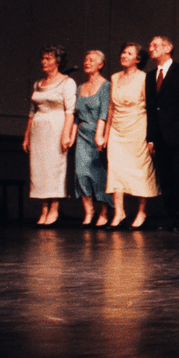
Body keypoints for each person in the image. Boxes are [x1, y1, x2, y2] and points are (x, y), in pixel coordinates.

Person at [144, 35, 179, 231]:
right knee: (165, 179)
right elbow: (152, 109)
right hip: (160, 137)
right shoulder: (151, 76)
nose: (151, 49)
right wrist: (151, 138)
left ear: (168, 48)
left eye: (155, 45)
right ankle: (172, 218)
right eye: (150, 46)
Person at [99, 42, 158, 229]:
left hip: (138, 127)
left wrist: (151, 137)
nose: (123, 55)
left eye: (129, 53)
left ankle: (142, 212)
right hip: (117, 129)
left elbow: (150, 109)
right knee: (115, 171)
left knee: (140, 170)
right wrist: (106, 134)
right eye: (123, 52)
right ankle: (119, 213)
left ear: (138, 59)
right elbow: (110, 108)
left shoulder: (144, 78)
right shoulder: (114, 77)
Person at [23, 44, 77, 226]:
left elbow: (70, 112)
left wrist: (66, 134)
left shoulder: (67, 82)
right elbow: (32, 112)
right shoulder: (38, 84)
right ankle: (43, 209)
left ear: (58, 62)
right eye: (43, 58)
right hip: (39, 130)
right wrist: (26, 136)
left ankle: (54, 208)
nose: (43, 61)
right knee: (39, 170)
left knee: (55, 168)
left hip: (56, 127)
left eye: (48, 59)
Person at [70, 49, 111, 226]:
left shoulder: (106, 85)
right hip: (82, 135)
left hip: (98, 135)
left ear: (100, 65)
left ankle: (104, 211)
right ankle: (89, 211)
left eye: (91, 60)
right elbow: (76, 116)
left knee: (98, 174)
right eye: (86, 60)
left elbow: (104, 113)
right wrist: (71, 136)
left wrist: (100, 135)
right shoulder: (80, 88)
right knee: (81, 174)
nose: (87, 62)